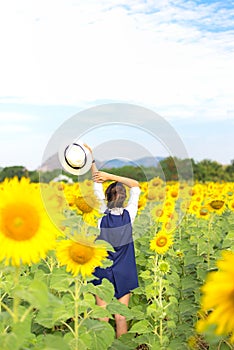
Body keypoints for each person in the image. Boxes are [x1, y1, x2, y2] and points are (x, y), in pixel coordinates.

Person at [85, 145, 141, 338]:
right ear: (125, 199)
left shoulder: (102, 212)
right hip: (124, 271)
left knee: (102, 317)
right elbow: (135, 185)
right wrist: (112, 176)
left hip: (104, 269)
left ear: (106, 198)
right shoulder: (130, 214)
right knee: (121, 317)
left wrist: (91, 160)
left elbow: (96, 184)